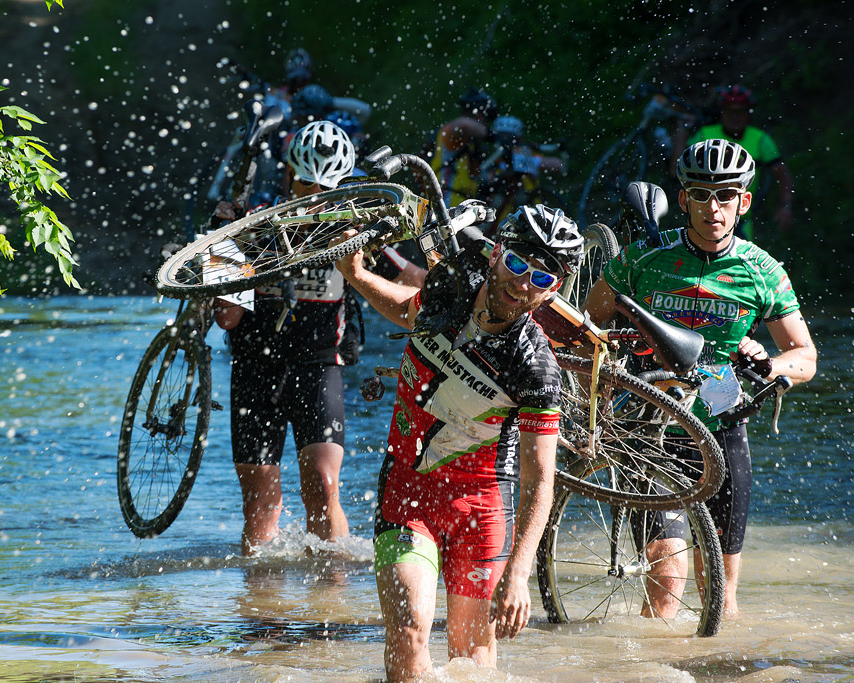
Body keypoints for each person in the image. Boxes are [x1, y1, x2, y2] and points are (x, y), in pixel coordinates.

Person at [336, 205, 584, 680]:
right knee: (409, 633)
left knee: (472, 663)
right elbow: (406, 309)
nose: (523, 284)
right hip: (408, 493)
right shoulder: (450, 287)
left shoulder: (535, 368)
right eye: (515, 264)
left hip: (483, 510)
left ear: (554, 289)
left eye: (541, 278)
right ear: (495, 255)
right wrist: (357, 275)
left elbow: (540, 479)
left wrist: (519, 570)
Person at [582, 138, 817, 617]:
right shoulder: (643, 258)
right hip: (647, 427)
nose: (714, 207)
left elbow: (805, 355)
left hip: (720, 420)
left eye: (726, 195)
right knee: (668, 579)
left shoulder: (763, 271)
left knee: (722, 596)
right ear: (684, 198)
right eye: (702, 194)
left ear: (743, 201)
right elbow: (589, 327)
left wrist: (770, 365)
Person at [212, 120, 420, 555]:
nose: (313, 196)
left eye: (324, 187)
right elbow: (227, 318)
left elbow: (412, 277)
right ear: (289, 175)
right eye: (305, 184)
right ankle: (261, 610)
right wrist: (221, 247)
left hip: (318, 365)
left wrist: (456, 280)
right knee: (260, 505)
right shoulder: (255, 225)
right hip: (255, 365)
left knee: (323, 488)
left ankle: (331, 608)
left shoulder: (352, 228)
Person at [672, 84, 795, 236]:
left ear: (748, 114)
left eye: (740, 112)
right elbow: (676, 169)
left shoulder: (760, 140)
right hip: (703, 217)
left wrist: (785, 206)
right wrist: (682, 131)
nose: (735, 117)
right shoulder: (705, 134)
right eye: (730, 111)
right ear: (722, 112)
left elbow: (783, 175)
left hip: (740, 221)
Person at [429, 87, 499, 207]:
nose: (486, 123)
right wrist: (493, 136)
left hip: (460, 207)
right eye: (486, 119)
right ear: (477, 113)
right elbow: (464, 124)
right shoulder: (452, 134)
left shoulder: (471, 145)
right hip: (445, 203)